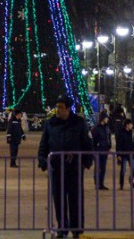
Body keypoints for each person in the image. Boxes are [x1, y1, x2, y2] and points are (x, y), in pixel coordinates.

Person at [38, 95, 93, 238]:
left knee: (75, 200)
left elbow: (87, 143)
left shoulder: (79, 123)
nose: (57, 110)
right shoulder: (51, 124)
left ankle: (76, 230)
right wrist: (43, 161)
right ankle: (62, 228)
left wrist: (86, 161)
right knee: (59, 200)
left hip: (74, 168)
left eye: (61, 107)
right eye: (57, 107)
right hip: (57, 168)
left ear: (68, 109)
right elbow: (44, 143)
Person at [91, 111, 112, 190]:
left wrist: (109, 146)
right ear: (103, 118)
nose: (107, 119)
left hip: (105, 150)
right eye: (106, 118)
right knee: (98, 167)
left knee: (103, 168)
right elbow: (93, 141)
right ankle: (97, 183)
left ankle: (101, 183)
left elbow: (108, 137)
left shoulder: (106, 128)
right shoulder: (96, 129)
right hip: (98, 150)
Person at [115, 118, 134, 190]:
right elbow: (118, 144)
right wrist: (118, 155)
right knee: (123, 170)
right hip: (123, 154)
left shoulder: (132, 133)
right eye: (131, 124)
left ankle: (131, 179)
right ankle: (121, 184)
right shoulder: (121, 133)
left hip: (131, 153)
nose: (132, 126)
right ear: (127, 125)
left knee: (133, 168)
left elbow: (133, 142)